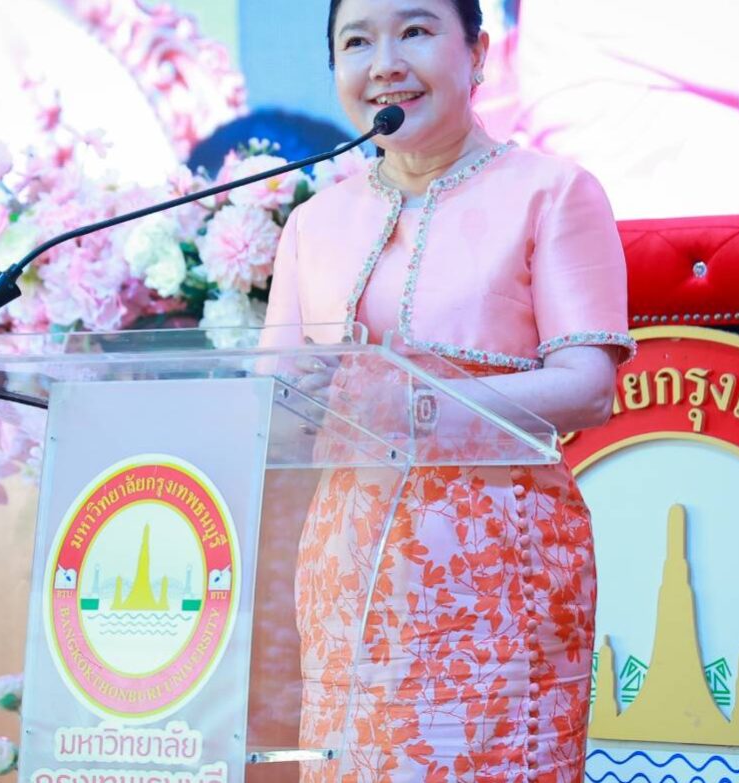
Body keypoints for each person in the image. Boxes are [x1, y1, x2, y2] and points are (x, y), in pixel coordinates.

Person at [260, 0, 634, 780]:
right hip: (344, 565)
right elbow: (273, 413)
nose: (385, 64)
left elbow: (589, 387)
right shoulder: (312, 224)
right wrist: (292, 397)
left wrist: (421, 405)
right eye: (356, 42)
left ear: (479, 53)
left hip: (501, 563)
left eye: (416, 31)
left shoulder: (553, 192)